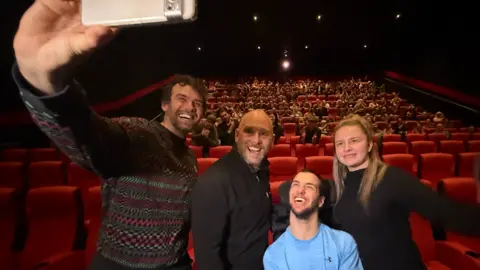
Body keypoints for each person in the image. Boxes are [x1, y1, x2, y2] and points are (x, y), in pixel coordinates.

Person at [12, 1, 207, 269]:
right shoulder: (138, 133)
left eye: (197, 104)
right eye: (182, 99)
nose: (190, 108)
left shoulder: (189, 160)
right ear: (164, 105)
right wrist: (46, 83)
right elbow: (85, 136)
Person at [331, 114, 480, 270]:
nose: (346, 148)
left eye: (354, 140)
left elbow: (443, 211)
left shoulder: (393, 178)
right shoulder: (340, 185)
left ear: (369, 145)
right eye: (340, 143)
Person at [191, 109, 274, 270]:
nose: (256, 140)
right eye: (249, 131)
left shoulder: (261, 170)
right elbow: (208, 258)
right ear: (237, 135)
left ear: (272, 140)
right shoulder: (213, 182)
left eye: (263, 134)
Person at [264, 169, 363, 270]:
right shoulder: (272, 255)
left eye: (309, 187)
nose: (300, 190)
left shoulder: (344, 243)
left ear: (320, 201)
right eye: (296, 185)